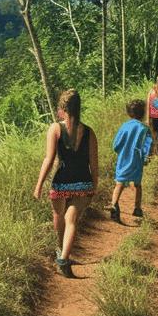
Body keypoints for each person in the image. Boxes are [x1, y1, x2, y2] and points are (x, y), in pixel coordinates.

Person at [32, 89, 98, 278]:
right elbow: (94, 164)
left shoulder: (55, 129)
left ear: (62, 108)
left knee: (59, 216)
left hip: (60, 183)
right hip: (83, 183)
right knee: (72, 220)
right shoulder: (89, 132)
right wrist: (94, 185)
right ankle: (64, 258)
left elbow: (49, 159)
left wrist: (38, 186)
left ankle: (61, 252)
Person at [109, 99, 152, 223]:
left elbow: (116, 145)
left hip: (123, 159)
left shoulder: (124, 126)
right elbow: (147, 145)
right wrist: (145, 157)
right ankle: (137, 208)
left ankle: (114, 205)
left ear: (129, 113)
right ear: (143, 113)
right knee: (137, 184)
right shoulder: (145, 128)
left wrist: (120, 151)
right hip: (137, 160)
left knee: (119, 183)